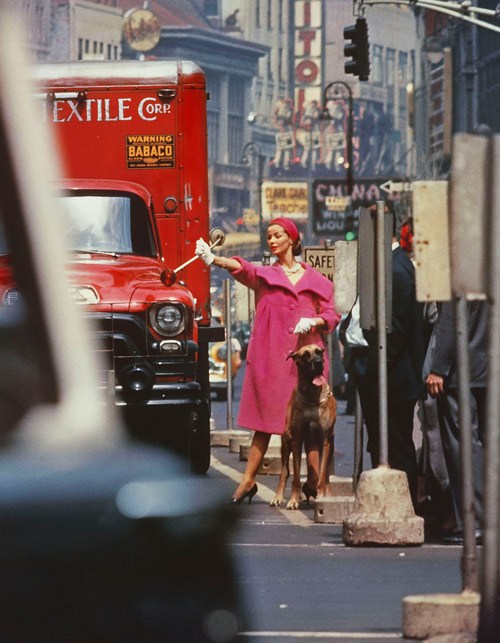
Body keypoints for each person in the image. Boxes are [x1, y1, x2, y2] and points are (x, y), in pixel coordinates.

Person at [196, 217, 340, 503]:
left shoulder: (317, 281)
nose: (271, 241)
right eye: (269, 236)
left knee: (312, 423)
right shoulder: (265, 275)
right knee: (265, 423)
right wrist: (214, 260)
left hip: (305, 361)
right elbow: (244, 268)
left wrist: (313, 321)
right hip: (273, 356)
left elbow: (331, 316)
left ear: (291, 239)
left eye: (277, 236)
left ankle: (312, 481)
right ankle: (248, 479)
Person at [352, 202, 426, 508]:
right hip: (385, 376)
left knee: (395, 446)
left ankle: (403, 508)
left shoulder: (395, 269)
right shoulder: (387, 264)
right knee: (385, 444)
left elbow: (394, 334)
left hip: (391, 379)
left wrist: (373, 367)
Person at [425, 300, 487, 544]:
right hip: (489, 366)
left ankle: (475, 522)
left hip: (463, 370)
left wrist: (438, 367)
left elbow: (450, 319)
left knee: (462, 446)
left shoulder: (461, 268)